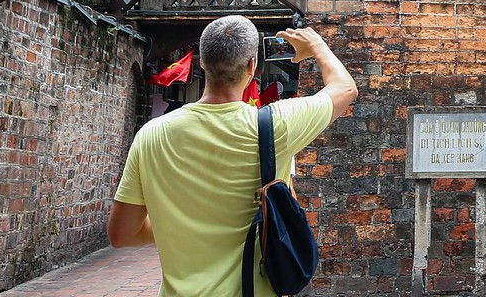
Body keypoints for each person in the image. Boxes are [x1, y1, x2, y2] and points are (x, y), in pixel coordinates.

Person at [107, 15, 358, 297]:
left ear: (202, 61)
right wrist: (316, 45)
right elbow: (345, 88)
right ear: (252, 66)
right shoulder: (278, 125)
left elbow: (122, 234)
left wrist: (180, 222)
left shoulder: (151, 134)